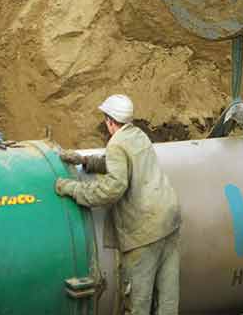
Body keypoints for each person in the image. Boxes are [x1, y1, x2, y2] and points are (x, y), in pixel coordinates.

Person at [55, 94, 182, 315]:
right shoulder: (138, 135)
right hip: (169, 221)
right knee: (167, 300)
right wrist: (86, 161)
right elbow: (124, 163)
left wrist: (72, 188)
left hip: (145, 230)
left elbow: (112, 188)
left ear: (110, 121)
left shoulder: (116, 143)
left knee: (137, 302)